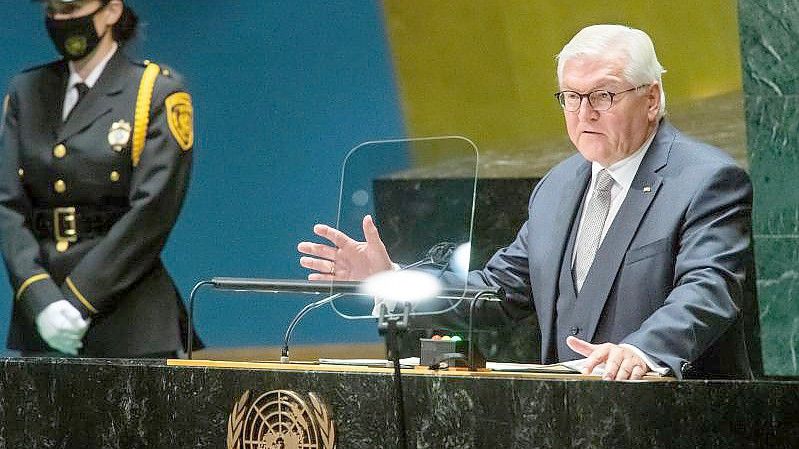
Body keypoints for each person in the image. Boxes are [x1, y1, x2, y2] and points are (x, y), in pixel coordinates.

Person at [298, 24, 755, 380]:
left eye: (604, 95)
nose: (584, 112)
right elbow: (498, 292)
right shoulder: (558, 186)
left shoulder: (706, 179)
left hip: (675, 416)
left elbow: (708, 289)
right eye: (571, 97)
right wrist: (392, 280)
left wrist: (642, 350)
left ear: (651, 98)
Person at [0, 0, 198, 357]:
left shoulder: (153, 91)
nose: (61, 20)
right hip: (41, 323)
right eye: (53, 10)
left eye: (72, 8)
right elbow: (7, 204)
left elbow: (152, 212)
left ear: (111, 11)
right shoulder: (26, 91)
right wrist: (40, 298)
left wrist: (79, 300)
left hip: (128, 320)